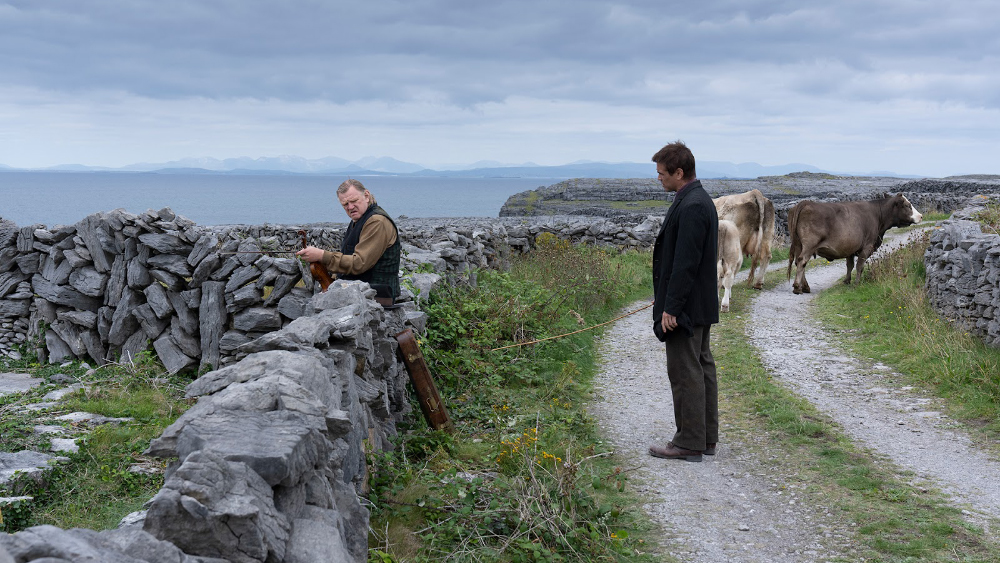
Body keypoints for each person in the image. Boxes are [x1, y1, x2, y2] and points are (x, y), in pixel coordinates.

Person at [648, 141, 720, 463]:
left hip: (686, 308)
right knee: (701, 367)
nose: (659, 178)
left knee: (685, 370)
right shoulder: (699, 199)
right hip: (699, 304)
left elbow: (685, 263)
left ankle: (689, 441)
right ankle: (706, 438)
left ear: (680, 173)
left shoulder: (692, 205)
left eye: (662, 174)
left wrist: (671, 307)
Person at [296, 179, 401, 304]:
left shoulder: (377, 222)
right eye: (345, 204)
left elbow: (359, 263)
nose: (350, 207)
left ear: (366, 196)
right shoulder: (360, 219)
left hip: (377, 298)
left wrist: (321, 255)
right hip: (361, 295)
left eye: (354, 201)